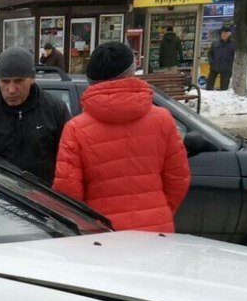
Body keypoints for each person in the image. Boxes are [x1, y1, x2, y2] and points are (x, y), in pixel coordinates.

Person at [53, 41, 190, 234]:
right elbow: (178, 179)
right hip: (156, 231)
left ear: (91, 80)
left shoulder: (76, 128)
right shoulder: (163, 119)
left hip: (101, 235)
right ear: (131, 72)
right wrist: (159, 211)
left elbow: (68, 192)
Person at [0, 46, 70, 183]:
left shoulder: (55, 110)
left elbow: (69, 163)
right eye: (5, 81)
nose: (11, 89)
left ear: (32, 79)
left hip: (44, 194)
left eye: (18, 81)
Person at [208, 26, 236, 91]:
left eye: (225, 33)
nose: (223, 35)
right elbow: (210, 53)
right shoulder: (215, 43)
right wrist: (211, 62)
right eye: (222, 33)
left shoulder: (233, 44)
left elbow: (235, 56)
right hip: (214, 67)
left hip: (226, 69)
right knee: (209, 86)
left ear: (229, 34)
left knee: (224, 89)